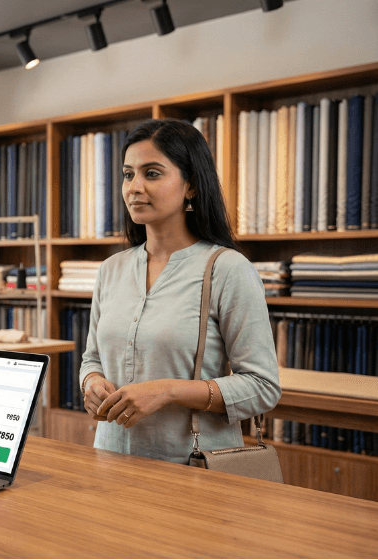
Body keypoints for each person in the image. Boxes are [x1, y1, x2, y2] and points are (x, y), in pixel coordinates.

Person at [79, 118, 281, 464]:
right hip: (110, 460)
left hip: (191, 468)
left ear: (191, 186)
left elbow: (263, 387)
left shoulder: (227, 269)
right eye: (128, 174)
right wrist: (92, 383)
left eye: (152, 173)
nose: (134, 187)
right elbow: (92, 359)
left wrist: (168, 390)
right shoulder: (111, 269)